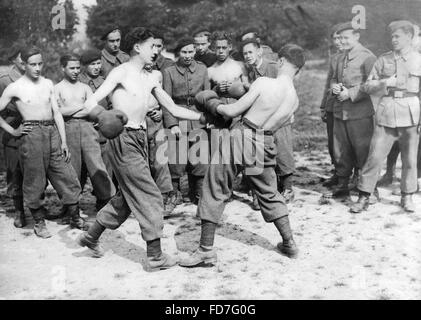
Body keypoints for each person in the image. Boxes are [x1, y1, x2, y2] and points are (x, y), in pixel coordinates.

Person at [76, 27, 209, 271]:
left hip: (140, 138)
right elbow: (89, 103)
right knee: (150, 194)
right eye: (152, 46)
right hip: (122, 138)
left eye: (158, 47)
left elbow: (173, 108)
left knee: (128, 196)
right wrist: (104, 116)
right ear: (137, 47)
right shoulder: (121, 72)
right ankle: (155, 255)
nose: (157, 51)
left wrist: (202, 119)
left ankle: (91, 236)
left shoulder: (152, 77)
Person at [179, 44, 305, 268]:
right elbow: (273, 125)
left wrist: (211, 102)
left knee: (215, 186)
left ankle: (205, 251)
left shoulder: (265, 82)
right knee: (268, 191)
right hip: (264, 142)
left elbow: (230, 111)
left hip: (242, 135)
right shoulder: (294, 100)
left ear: (282, 61)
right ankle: (289, 242)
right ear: (299, 70)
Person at [0, 46, 88, 238]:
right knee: (35, 180)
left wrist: (64, 141)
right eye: (33, 64)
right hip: (32, 135)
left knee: (66, 174)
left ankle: (75, 217)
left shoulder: (48, 83)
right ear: (24, 65)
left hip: (53, 132)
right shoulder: (15, 87)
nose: (37, 68)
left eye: (40, 63)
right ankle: (39, 222)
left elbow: (56, 112)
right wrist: (14, 130)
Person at [351, 20, 421, 213]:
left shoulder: (419, 60)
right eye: (392, 36)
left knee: (410, 159)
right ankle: (364, 195)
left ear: (409, 37)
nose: (394, 40)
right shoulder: (383, 60)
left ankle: (407, 196)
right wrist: (386, 82)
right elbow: (367, 86)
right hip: (387, 113)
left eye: (398, 36)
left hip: (411, 114)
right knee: (374, 156)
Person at [54, 54, 115, 216]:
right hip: (68, 129)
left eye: (77, 68)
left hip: (88, 129)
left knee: (96, 164)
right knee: (72, 168)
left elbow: (91, 109)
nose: (75, 71)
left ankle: (105, 201)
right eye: (71, 68)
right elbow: (59, 111)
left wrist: (75, 109)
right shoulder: (57, 88)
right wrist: (82, 106)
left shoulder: (85, 88)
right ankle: (70, 205)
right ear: (63, 68)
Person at [242, 38, 296, 205]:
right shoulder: (249, 71)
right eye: (244, 53)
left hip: (279, 116)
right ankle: (260, 190)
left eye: (250, 52)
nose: (247, 56)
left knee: (282, 150)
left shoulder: (273, 67)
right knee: (256, 150)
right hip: (260, 117)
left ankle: (287, 188)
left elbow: (288, 89)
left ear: (260, 51)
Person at [329, 22, 377, 198]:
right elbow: (334, 78)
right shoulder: (341, 57)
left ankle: (369, 190)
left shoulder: (367, 57)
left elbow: (373, 84)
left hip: (359, 114)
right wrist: (334, 88)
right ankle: (343, 184)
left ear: (357, 36)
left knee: (363, 151)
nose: (342, 41)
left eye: (346, 37)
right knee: (340, 149)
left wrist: (351, 93)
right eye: (340, 38)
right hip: (340, 111)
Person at [162, 38, 211, 206]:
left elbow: (208, 96)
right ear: (178, 54)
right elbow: (166, 102)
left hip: (199, 117)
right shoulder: (169, 72)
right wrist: (172, 124)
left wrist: (209, 117)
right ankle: (174, 194)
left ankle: (198, 192)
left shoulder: (202, 69)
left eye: (191, 51)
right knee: (176, 156)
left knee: (199, 156)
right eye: (184, 52)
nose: (188, 55)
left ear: (195, 51)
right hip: (178, 117)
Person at [79, 49, 116, 187]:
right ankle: (73, 206)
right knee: (80, 170)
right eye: (92, 64)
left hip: (103, 133)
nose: (96, 67)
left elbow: (113, 106)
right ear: (84, 65)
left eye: (98, 63)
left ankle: (104, 202)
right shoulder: (78, 81)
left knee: (105, 168)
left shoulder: (106, 82)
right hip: (82, 131)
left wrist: (105, 120)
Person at [144, 63, 174, 215]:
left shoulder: (157, 74)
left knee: (160, 160)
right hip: (140, 120)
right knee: (143, 162)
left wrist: (162, 112)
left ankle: (165, 197)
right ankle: (147, 200)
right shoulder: (131, 74)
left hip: (156, 120)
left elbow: (166, 97)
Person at [0, 47, 26, 227]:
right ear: (13, 61)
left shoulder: (35, 79)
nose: (26, 63)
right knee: (15, 173)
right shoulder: (4, 81)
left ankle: (35, 208)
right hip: (13, 133)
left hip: (33, 133)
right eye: (22, 60)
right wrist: (12, 131)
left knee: (35, 173)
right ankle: (19, 211)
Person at [320, 23, 345, 188]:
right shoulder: (334, 57)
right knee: (332, 142)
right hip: (332, 104)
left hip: (348, 104)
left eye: (340, 37)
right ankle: (338, 172)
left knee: (350, 142)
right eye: (334, 38)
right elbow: (329, 81)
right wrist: (323, 105)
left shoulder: (357, 56)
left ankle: (354, 175)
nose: (337, 41)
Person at [208, 31, 249, 106]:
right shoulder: (210, 70)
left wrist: (238, 86)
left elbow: (249, 89)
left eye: (224, 48)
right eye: (218, 48)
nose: (221, 51)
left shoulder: (240, 66)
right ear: (214, 48)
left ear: (230, 47)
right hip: (220, 109)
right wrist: (216, 89)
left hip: (239, 106)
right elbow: (206, 95)